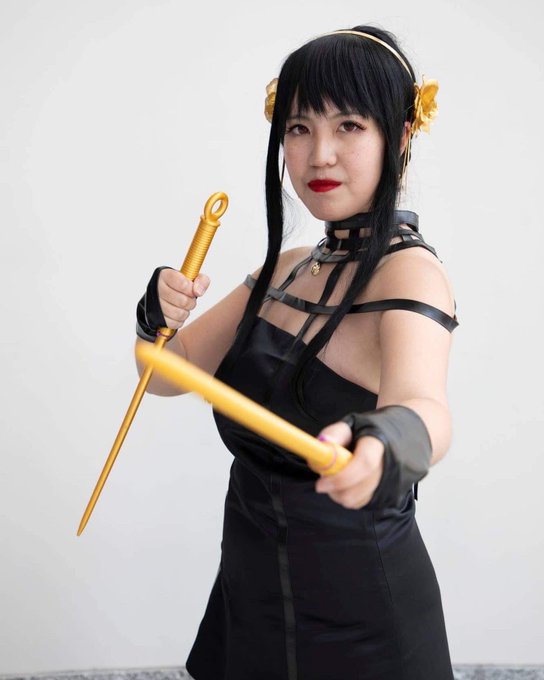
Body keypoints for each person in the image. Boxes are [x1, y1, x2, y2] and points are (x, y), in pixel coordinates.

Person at [135, 24, 459, 680]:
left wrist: (382, 442)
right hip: (250, 592)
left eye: (349, 126)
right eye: (299, 128)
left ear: (400, 137)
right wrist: (155, 319)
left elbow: (427, 409)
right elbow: (167, 375)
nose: (319, 155)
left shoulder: (410, 274)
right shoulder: (284, 268)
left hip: (363, 617)